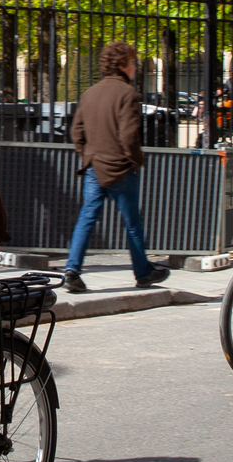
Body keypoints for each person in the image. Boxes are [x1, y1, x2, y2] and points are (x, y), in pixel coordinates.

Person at [62, 42, 169, 294]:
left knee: (87, 218)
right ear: (122, 65)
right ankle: (143, 273)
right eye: (133, 62)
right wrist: (135, 160)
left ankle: (71, 271)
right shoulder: (127, 94)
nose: (135, 67)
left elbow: (76, 131)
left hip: (94, 167)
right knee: (132, 223)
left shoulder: (90, 93)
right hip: (120, 168)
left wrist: (87, 155)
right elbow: (129, 136)